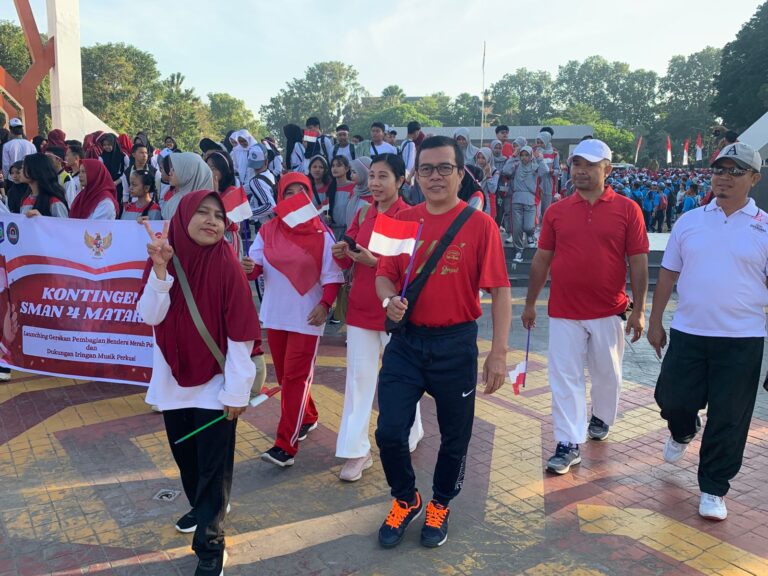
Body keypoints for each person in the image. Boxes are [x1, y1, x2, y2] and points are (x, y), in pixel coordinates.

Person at [374, 136, 511, 549]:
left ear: (460, 172)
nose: (434, 177)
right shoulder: (399, 219)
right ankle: (406, 497)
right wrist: (387, 298)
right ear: (416, 174)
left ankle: (441, 503)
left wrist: (498, 353)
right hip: (407, 342)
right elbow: (383, 273)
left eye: (444, 168)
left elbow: (500, 292)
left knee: (455, 435)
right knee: (389, 431)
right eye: (427, 169)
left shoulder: (480, 224)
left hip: (455, 344)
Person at [138, 191, 259, 575]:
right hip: (173, 381)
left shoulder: (227, 264)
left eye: (218, 216)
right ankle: (208, 507)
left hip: (217, 381)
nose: (212, 221)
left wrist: (238, 389)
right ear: (183, 216)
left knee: (212, 465)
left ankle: (210, 545)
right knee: (188, 462)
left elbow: (241, 332)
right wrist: (160, 272)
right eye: (202, 213)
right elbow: (151, 316)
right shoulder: (164, 257)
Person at [647, 142, 765, 522]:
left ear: (754, 179)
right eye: (719, 170)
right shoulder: (690, 221)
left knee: (730, 418)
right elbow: (668, 273)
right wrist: (654, 320)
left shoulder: (764, 227)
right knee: (673, 399)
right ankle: (682, 431)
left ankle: (714, 487)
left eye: (734, 171)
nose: (724, 178)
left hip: (742, 339)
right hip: (689, 332)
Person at [521, 139, 648, 475]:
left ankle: (601, 417)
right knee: (564, 378)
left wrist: (640, 309)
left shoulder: (627, 210)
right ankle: (567, 442)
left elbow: (638, 262)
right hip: (564, 311)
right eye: (576, 165)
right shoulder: (557, 211)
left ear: (607, 168)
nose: (581, 172)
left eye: (590, 165)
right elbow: (542, 259)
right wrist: (531, 303)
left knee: (608, 375)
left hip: (609, 310)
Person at [331, 154, 424, 482]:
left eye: (383, 177)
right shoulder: (363, 212)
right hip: (360, 308)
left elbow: (412, 268)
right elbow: (349, 254)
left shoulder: (411, 217)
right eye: (371, 176)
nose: (375, 183)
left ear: (400, 181)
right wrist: (342, 253)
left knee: (402, 379)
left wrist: (375, 262)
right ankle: (357, 451)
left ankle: (411, 432)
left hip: (395, 309)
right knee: (358, 380)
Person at [242, 173, 343, 467]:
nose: (296, 197)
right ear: (280, 197)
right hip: (275, 314)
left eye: (303, 192)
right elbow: (254, 268)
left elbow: (333, 277)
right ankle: (308, 416)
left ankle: (285, 445)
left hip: (307, 318)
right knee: (287, 377)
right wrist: (248, 268)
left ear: (311, 197)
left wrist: (325, 305)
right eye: (289, 192)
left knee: (296, 378)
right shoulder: (268, 230)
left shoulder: (323, 235)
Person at [503, 146, 547, 260]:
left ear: (531, 155)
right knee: (516, 229)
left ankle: (530, 236)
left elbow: (545, 171)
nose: (524, 157)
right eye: (522, 155)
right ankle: (518, 251)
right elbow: (506, 171)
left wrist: (540, 159)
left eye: (526, 155)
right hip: (516, 199)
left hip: (530, 200)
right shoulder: (516, 166)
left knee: (528, 227)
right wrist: (512, 157)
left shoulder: (535, 167)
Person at [162, 153, 214, 220]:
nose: (169, 173)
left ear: (188, 172)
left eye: (174, 170)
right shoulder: (213, 203)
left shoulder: (179, 204)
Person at [18, 153, 69, 218]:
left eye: (23, 167)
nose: (20, 171)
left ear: (35, 170)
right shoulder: (26, 199)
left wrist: (41, 220)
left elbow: (64, 226)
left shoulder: (54, 202)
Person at [534, 131, 560, 223]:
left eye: (542, 142)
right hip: (536, 181)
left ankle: (544, 231)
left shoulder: (554, 153)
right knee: (535, 209)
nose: (540, 144)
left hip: (548, 183)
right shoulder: (534, 152)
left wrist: (553, 172)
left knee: (546, 209)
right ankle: (534, 233)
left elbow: (558, 170)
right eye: (538, 142)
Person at [327, 155, 355, 238]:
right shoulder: (330, 188)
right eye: (333, 166)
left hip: (349, 231)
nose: (334, 168)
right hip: (333, 230)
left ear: (346, 169)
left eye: (338, 165)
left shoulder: (354, 187)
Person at [97, 133, 129, 205]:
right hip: (107, 186)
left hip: (121, 185)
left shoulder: (123, 156)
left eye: (109, 145)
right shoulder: (101, 158)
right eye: (104, 145)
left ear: (114, 144)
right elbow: (101, 173)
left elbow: (128, 171)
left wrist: (117, 182)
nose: (106, 147)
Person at [474, 147, 499, 219]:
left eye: (483, 158)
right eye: (478, 158)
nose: (480, 160)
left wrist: (488, 175)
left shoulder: (494, 172)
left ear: (488, 158)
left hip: (488, 202)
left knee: (487, 223)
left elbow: (492, 189)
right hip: (476, 200)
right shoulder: (475, 169)